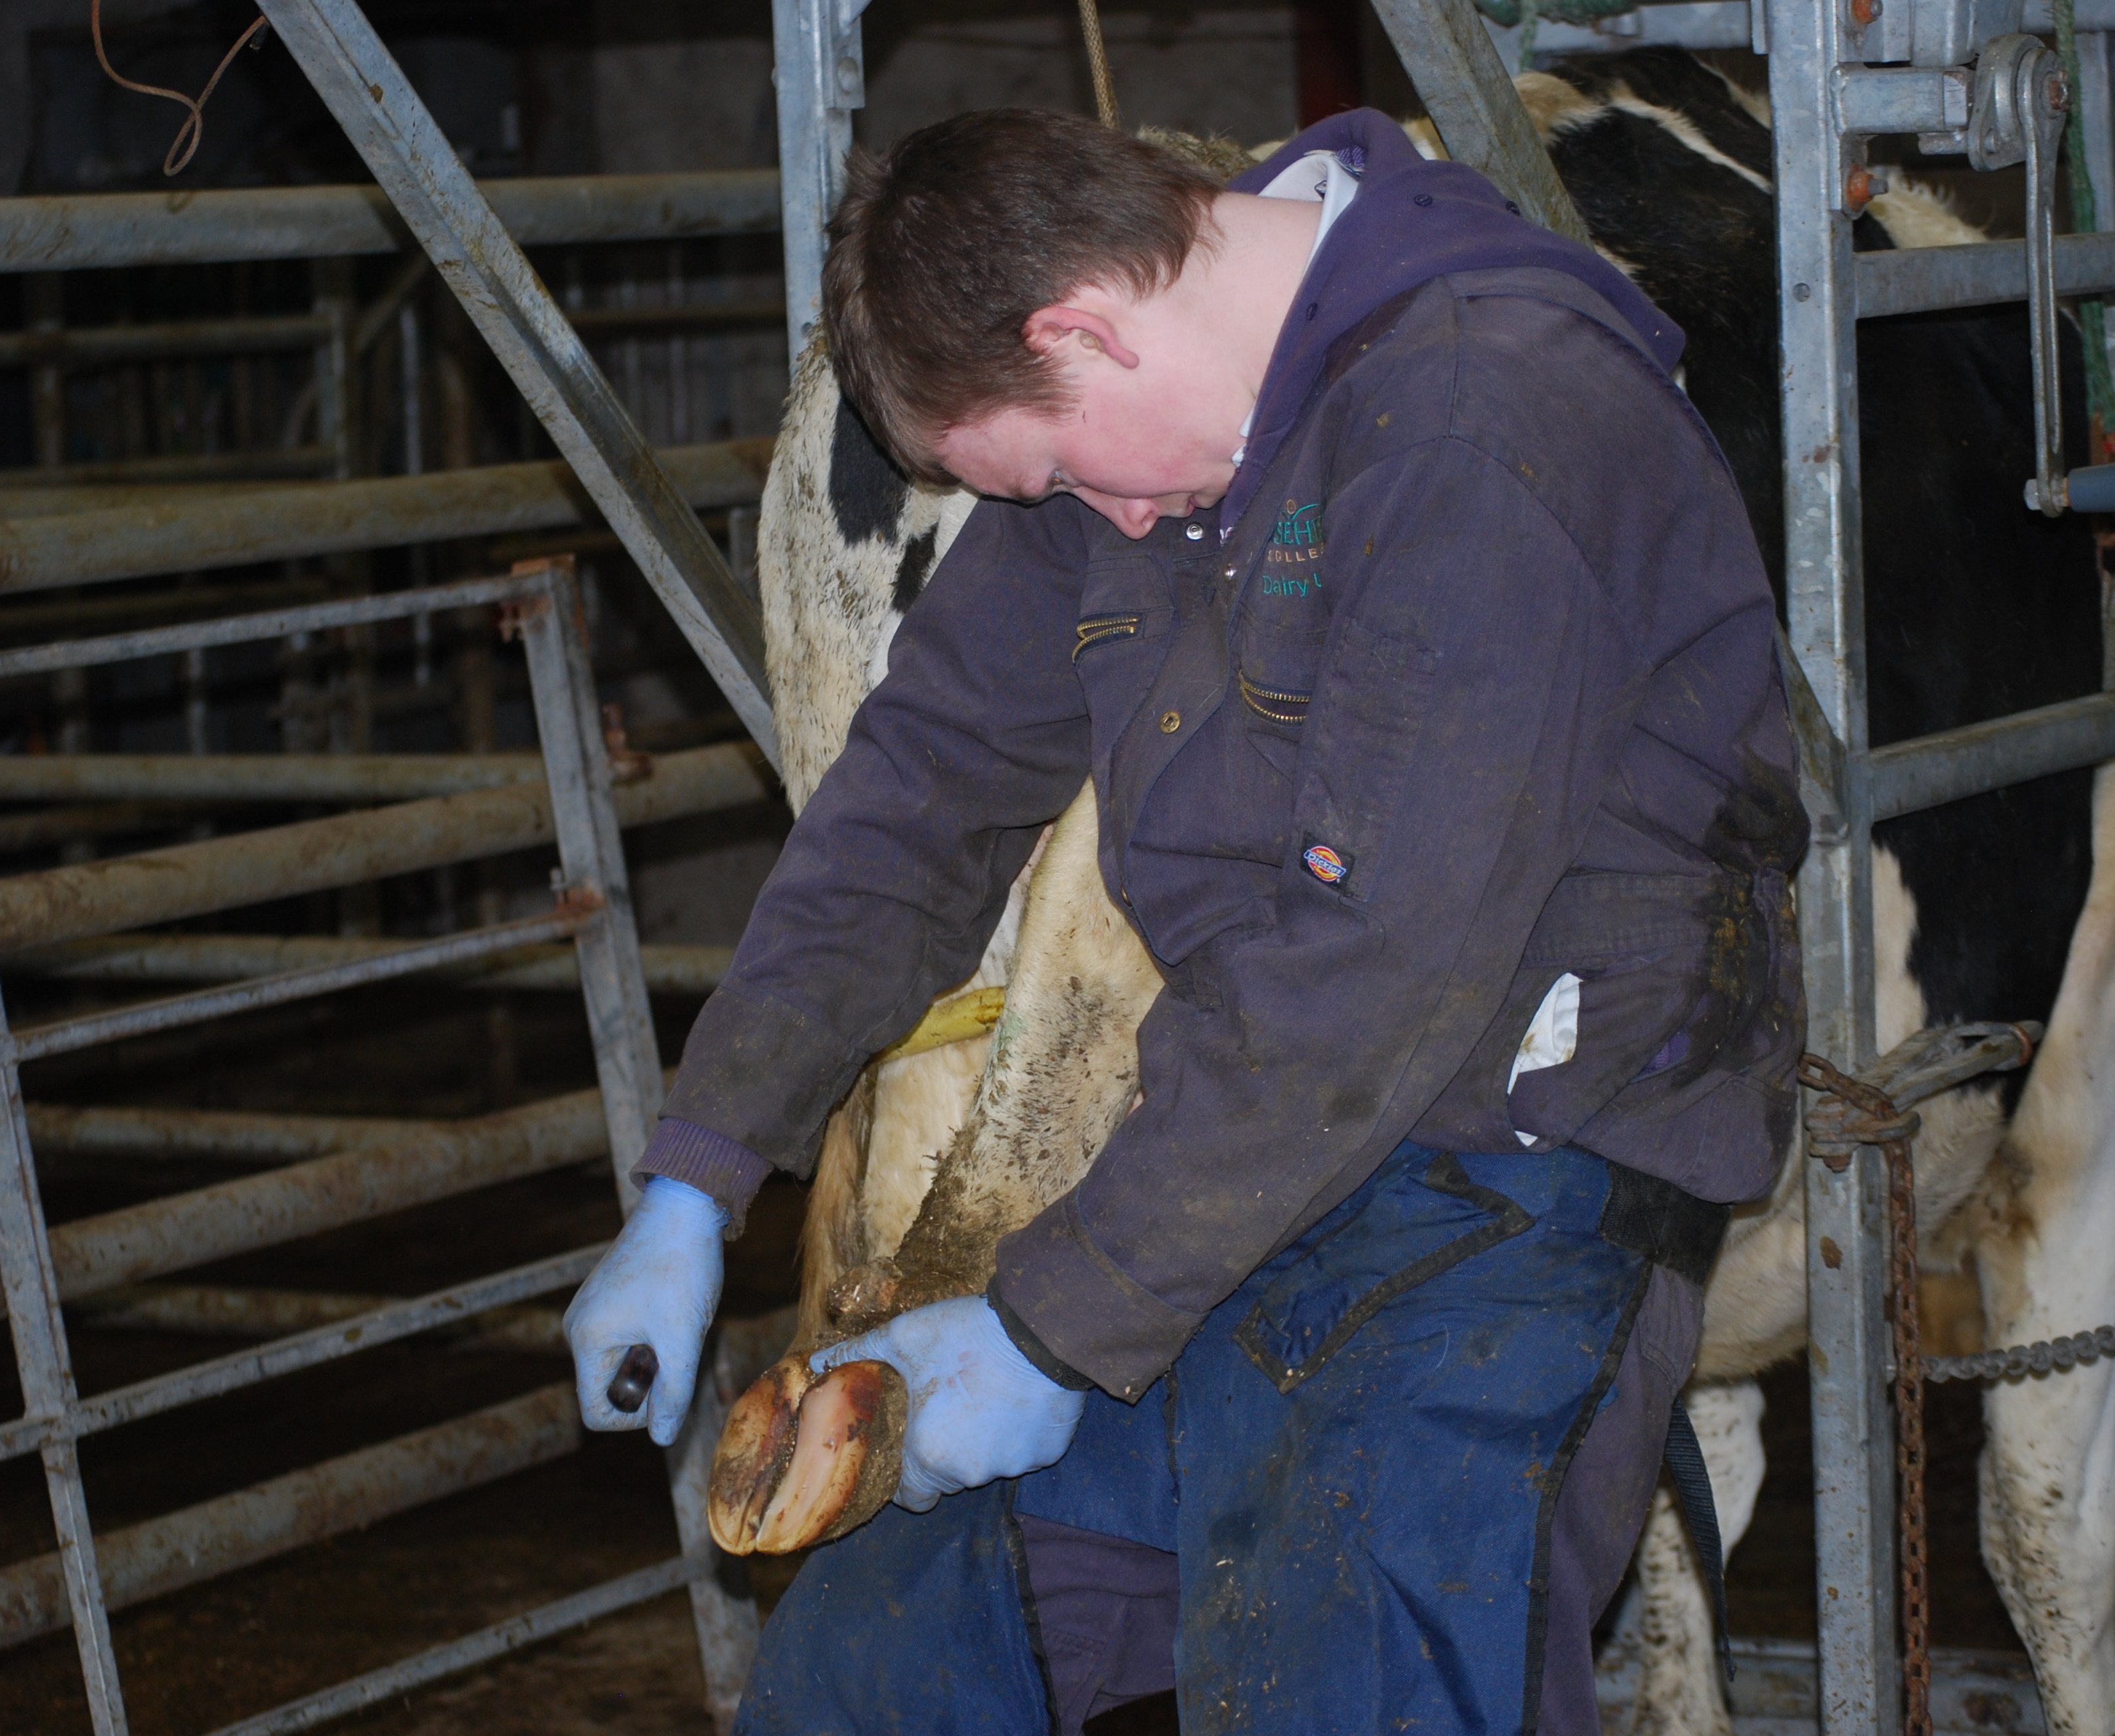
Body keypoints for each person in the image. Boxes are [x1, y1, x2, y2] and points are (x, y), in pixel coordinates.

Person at [565, 102, 1805, 1736]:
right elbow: (922, 790)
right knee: (875, 1666)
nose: (1096, 519)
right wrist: (700, 1170)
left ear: (1082, 322)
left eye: (1064, 469)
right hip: (1237, 1177)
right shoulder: (1127, 456)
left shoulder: (1480, 423)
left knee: (1347, 1690)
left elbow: (1381, 963)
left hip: (1517, 1203)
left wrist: (1046, 1327)